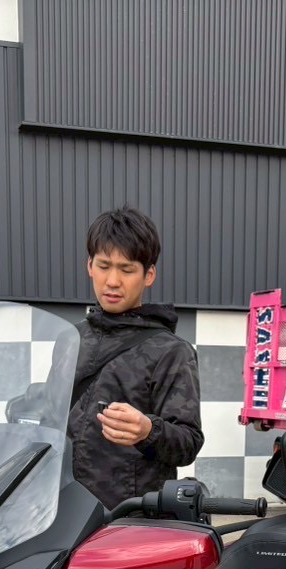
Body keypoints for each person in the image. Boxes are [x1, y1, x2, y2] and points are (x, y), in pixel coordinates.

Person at [68, 206, 203, 507]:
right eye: (104, 266)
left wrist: (148, 431)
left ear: (148, 274)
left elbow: (189, 443)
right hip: (65, 509)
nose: (112, 281)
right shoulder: (71, 339)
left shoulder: (171, 351)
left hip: (128, 515)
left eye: (127, 270)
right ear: (90, 265)